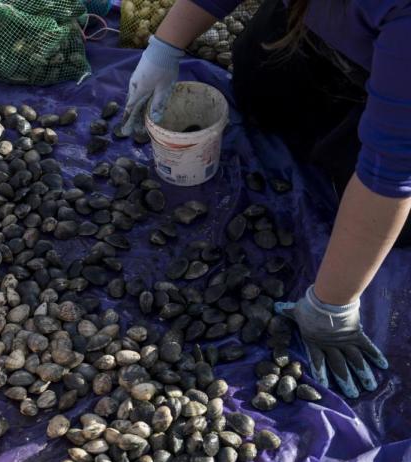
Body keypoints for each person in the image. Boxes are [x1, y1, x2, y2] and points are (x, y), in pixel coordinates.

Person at [122, 0, 411, 398]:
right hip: (324, 33)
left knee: (396, 224)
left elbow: (389, 174)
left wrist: (334, 304)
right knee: (258, 87)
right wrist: (166, 45)